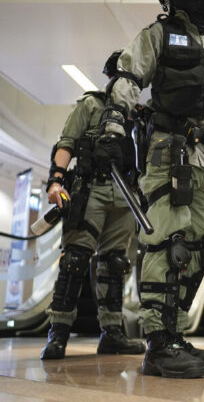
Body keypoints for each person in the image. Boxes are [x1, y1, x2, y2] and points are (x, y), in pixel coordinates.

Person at [95, 0, 204, 378]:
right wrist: (112, 128)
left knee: (199, 250)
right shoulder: (157, 34)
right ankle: (157, 344)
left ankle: (174, 334)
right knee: (167, 243)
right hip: (170, 153)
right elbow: (127, 78)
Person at [41, 50, 145, 360]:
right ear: (113, 77)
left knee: (115, 265)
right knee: (74, 261)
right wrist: (55, 181)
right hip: (91, 190)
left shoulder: (139, 115)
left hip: (125, 196)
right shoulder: (91, 104)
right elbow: (67, 143)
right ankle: (58, 334)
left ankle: (112, 333)